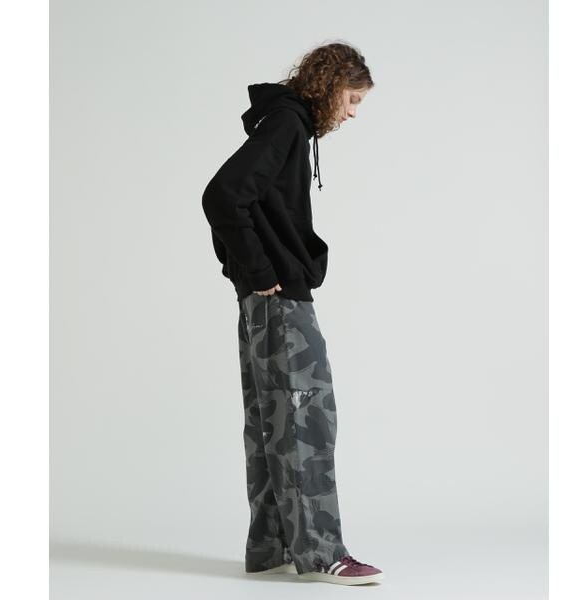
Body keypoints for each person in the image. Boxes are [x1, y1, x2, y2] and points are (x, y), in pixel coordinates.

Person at [201, 41, 383, 585]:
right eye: (352, 98)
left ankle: (271, 547)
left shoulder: (283, 124)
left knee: (271, 421)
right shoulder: (286, 125)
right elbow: (222, 195)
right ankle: (323, 552)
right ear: (330, 87)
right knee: (306, 422)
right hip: (278, 300)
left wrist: (251, 276)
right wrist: (259, 271)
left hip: (263, 302)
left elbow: (237, 199)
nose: (352, 112)